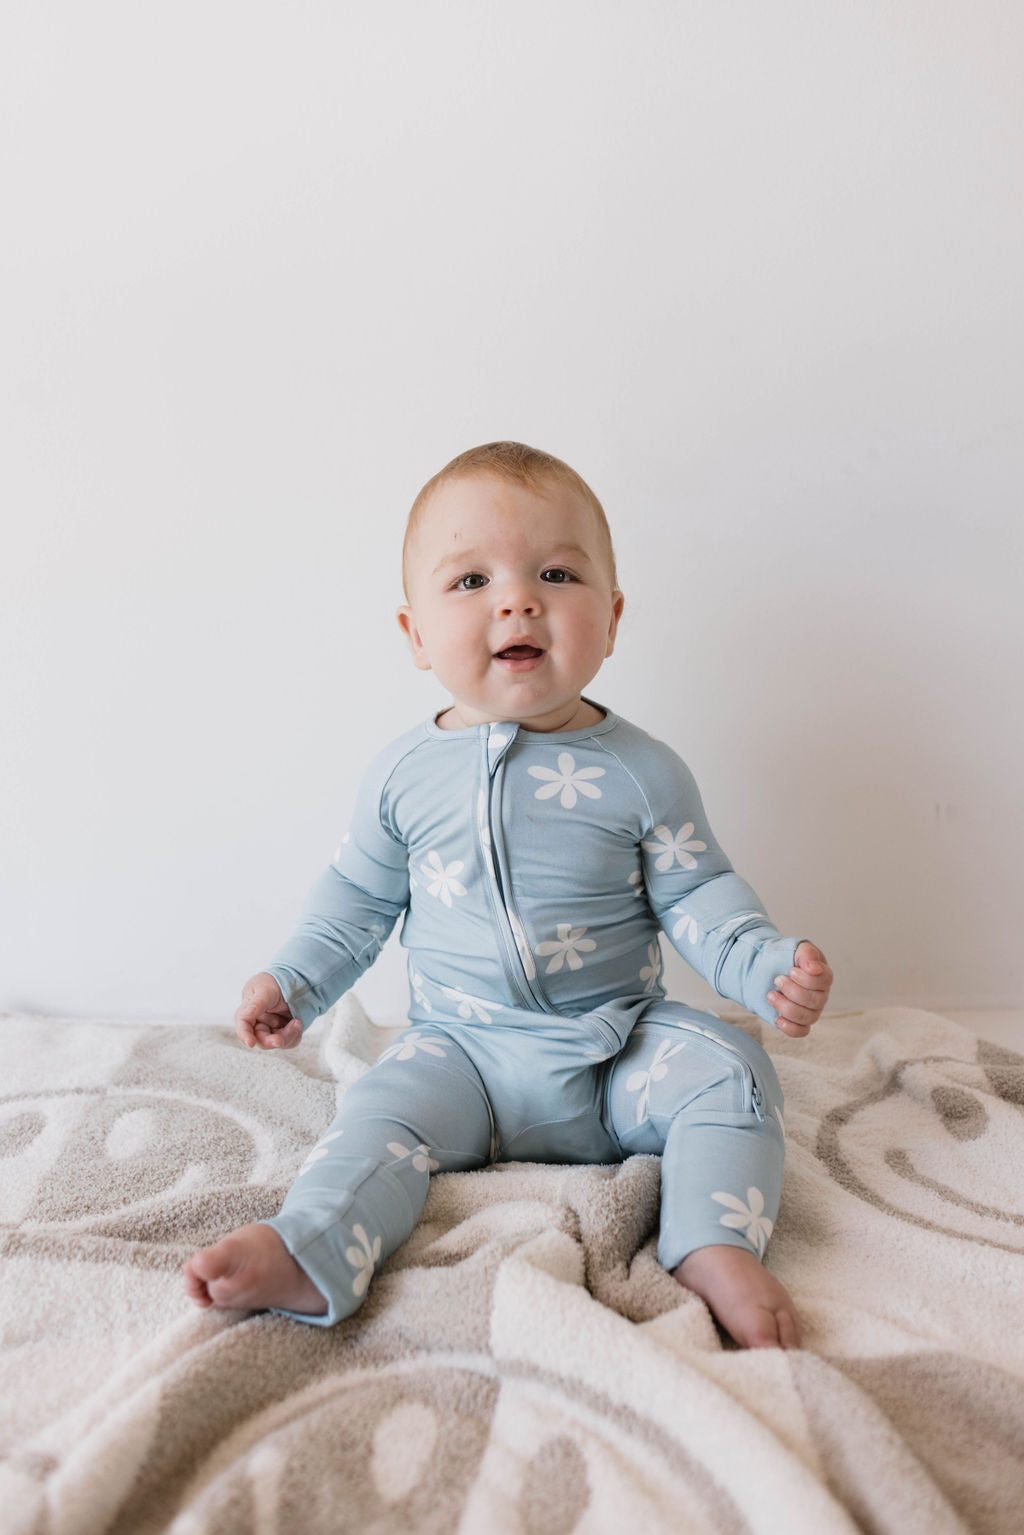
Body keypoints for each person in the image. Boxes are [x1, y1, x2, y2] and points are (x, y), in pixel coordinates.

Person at [183, 441, 832, 1349]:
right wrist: (296, 980)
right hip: (462, 1057)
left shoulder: (642, 772)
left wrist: (764, 966)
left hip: (617, 1052)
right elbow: (355, 901)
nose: (518, 599)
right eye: (471, 579)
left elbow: (701, 892)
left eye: (556, 574)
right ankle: (313, 1243)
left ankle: (711, 1242)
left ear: (609, 617)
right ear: (413, 635)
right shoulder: (403, 777)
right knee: (376, 1113)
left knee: (730, 1070)